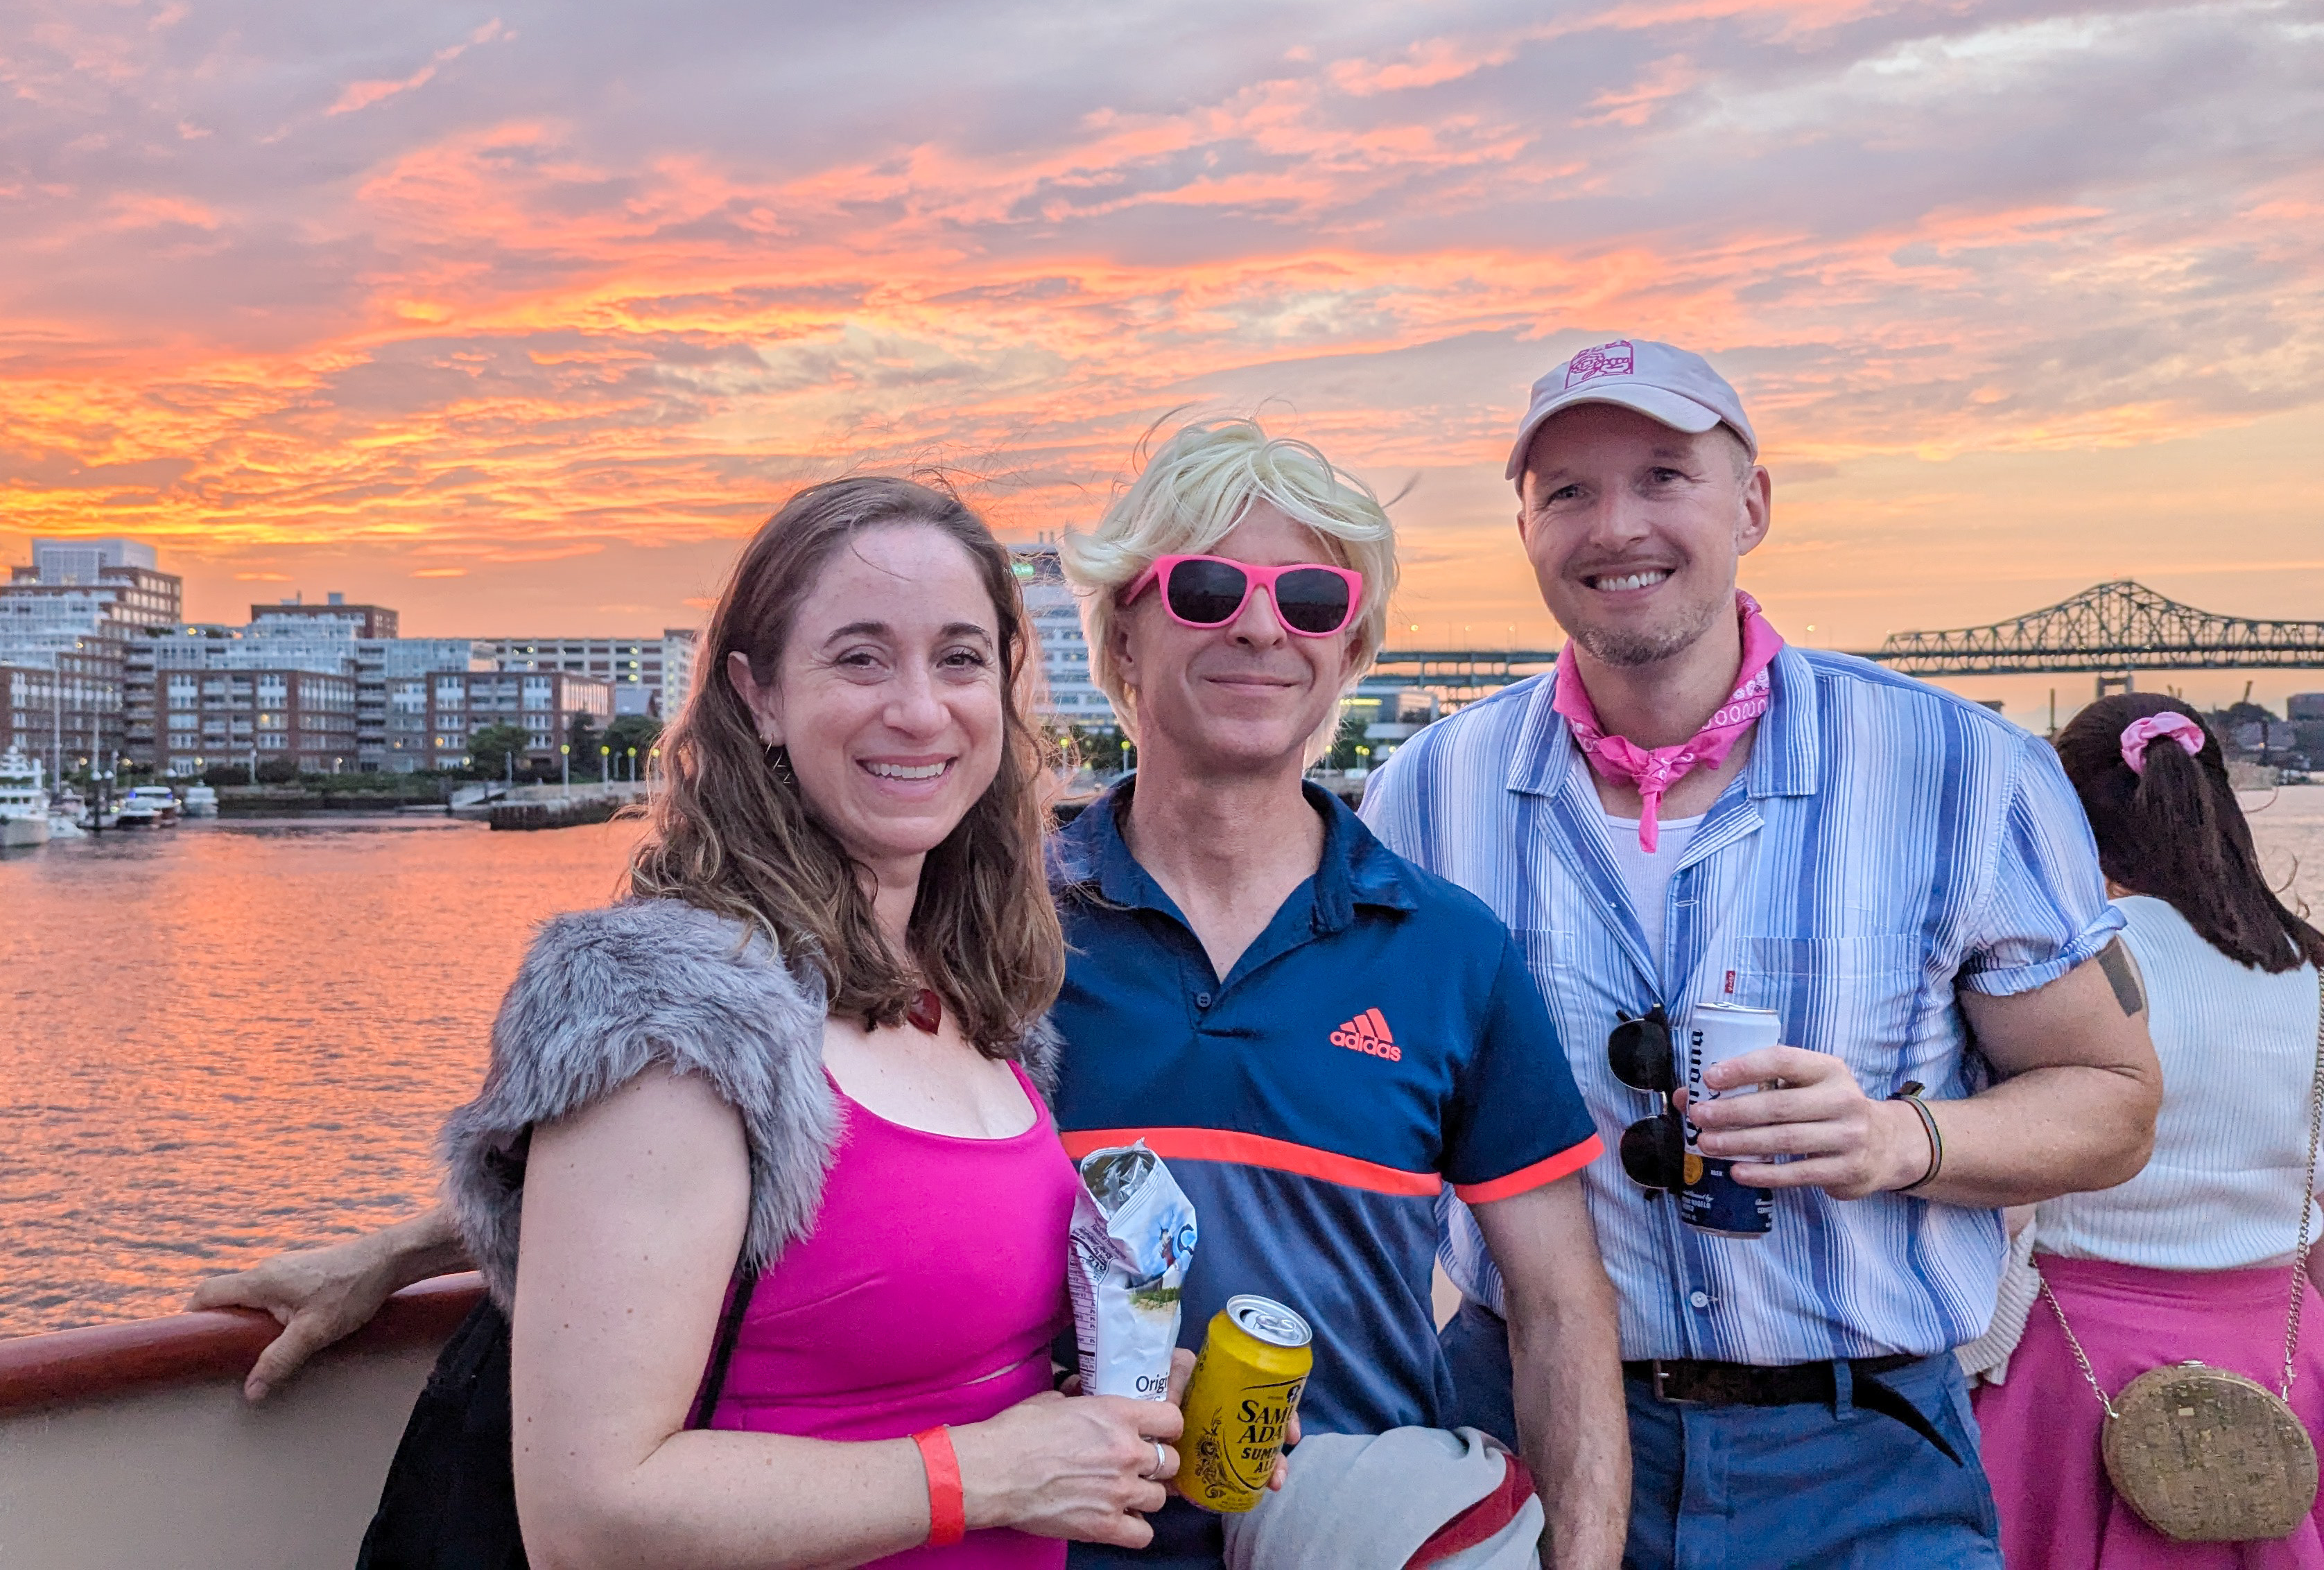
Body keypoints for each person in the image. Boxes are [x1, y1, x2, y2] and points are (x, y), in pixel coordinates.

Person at [209, 476, 1187, 1567]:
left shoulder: (974, 994)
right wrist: (993, 1473)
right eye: (860, 659)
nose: (920, 709)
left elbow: (856, 1271)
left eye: (959, 659)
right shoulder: (671, 1009)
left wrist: (1096, 1421)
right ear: (757, 696)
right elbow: (592, 1517)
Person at [1362, 338, 2163, 1568]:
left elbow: (2113, 1101)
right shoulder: (1426, 791)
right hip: (1517, 1433)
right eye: (1567, 491)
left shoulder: (1963, 769)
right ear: (1525, 529)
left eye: (1663, 475)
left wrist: (1896, 1140)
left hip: (1863, 1462)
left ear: (1752, 504)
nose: (1614, 525)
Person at [1049, 418, 1629, 1568]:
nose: (1262, 627)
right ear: (1123, 628)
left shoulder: (1451, 952)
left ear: (1349, 644)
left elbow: (1561, 1306)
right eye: (1207, 588)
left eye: (1312, 600)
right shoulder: (994, 936)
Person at [1974, 694, 2324, 1568]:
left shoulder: (2075, 963)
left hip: (2079, 1363)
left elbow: (2009, 1190)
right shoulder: (2310, 968)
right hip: (2284, 1353)